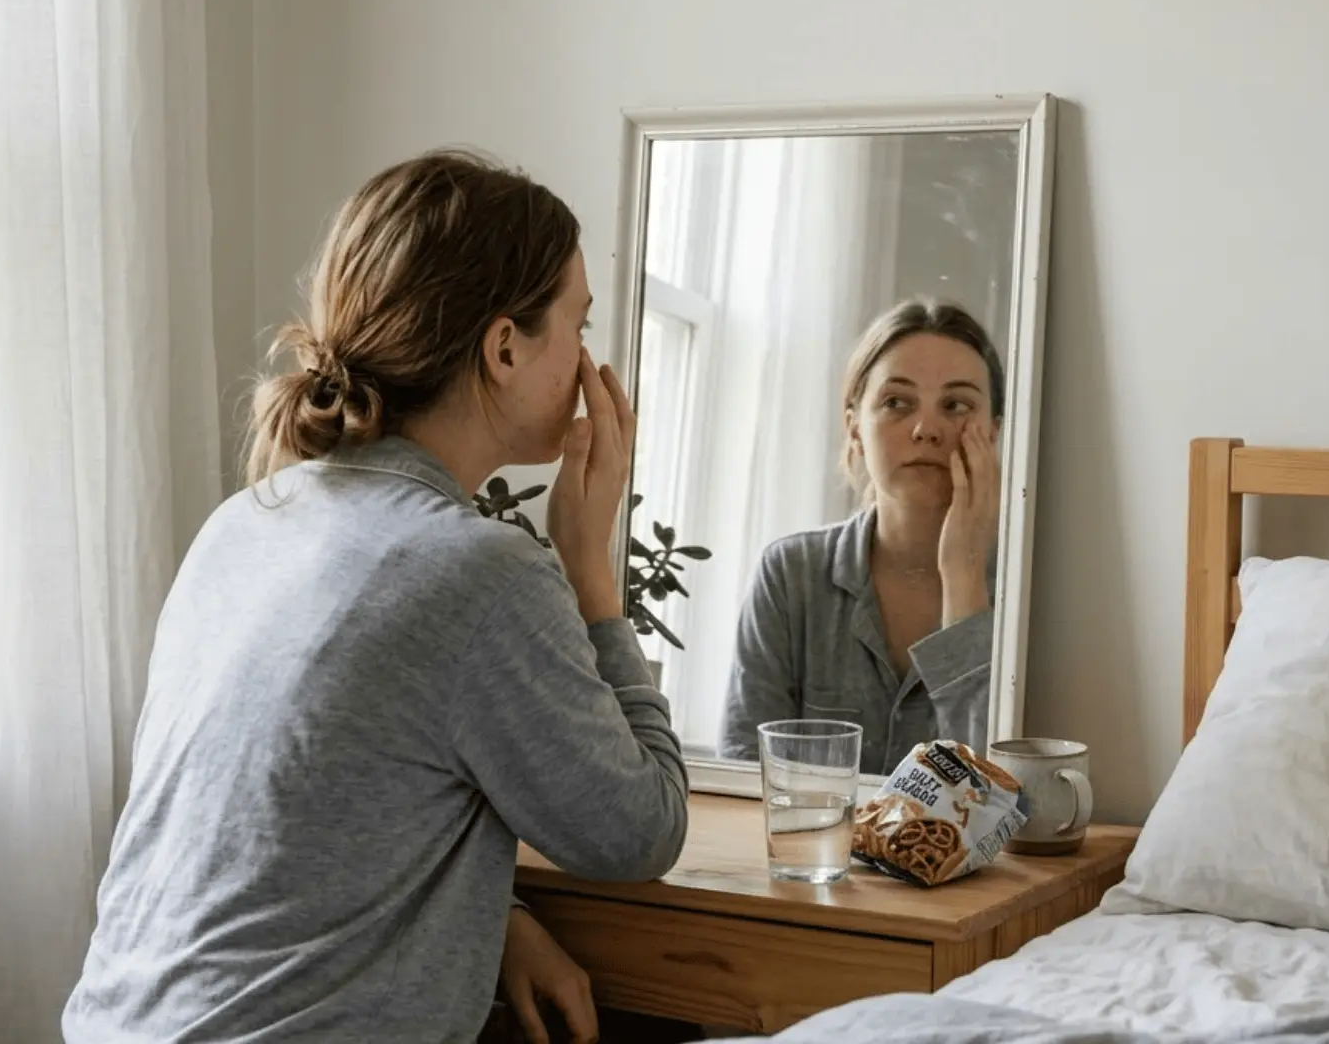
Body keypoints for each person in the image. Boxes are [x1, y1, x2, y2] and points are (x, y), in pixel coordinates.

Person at [63, 149, 689, 1044]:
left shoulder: (244, 524)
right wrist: (592, 572)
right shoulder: (481, 573)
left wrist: (496, 916)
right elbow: (642, 832)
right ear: (505, 347)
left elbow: (299, 813)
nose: (589, 365)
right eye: (578, 331)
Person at [719, 299, 1003, 776]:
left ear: (991, 434)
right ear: (854, 429)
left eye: (955, 405)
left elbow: (996, 795)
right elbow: (746, 774)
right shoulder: (791, 575)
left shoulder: (1029, 600)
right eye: (897, 402)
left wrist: (965, 574)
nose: (926, 429)